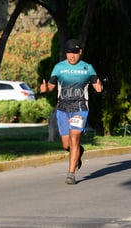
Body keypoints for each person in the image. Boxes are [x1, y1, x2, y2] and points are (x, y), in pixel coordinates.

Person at [40, 39, 103, 185]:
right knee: (66, 145)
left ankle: (71, 174)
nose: (72, 56)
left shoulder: (87, 68)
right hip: (62, 109)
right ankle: (79, 151)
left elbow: (97, 86)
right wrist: (45, 90)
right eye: (69, 53)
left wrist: (100, 87)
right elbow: (51, 86)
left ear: (80, 52)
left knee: (74, 138)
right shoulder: (59, 68)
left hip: (80, 109)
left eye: (74, 53)